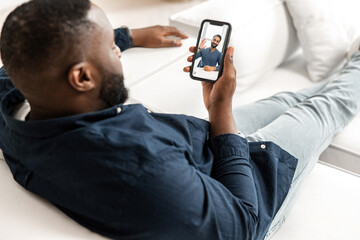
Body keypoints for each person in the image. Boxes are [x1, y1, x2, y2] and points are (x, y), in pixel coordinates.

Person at [0, 0, 359, 239]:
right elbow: (243, 226)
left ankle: (347, 70)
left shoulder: (16, 101)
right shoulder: (138, 171)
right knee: (326, 108)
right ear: (82, 78)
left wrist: (129, 36)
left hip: (203, 144)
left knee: (288, 98)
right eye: (109, 46)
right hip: (254, 184)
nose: (117, 52)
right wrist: (220, 111)